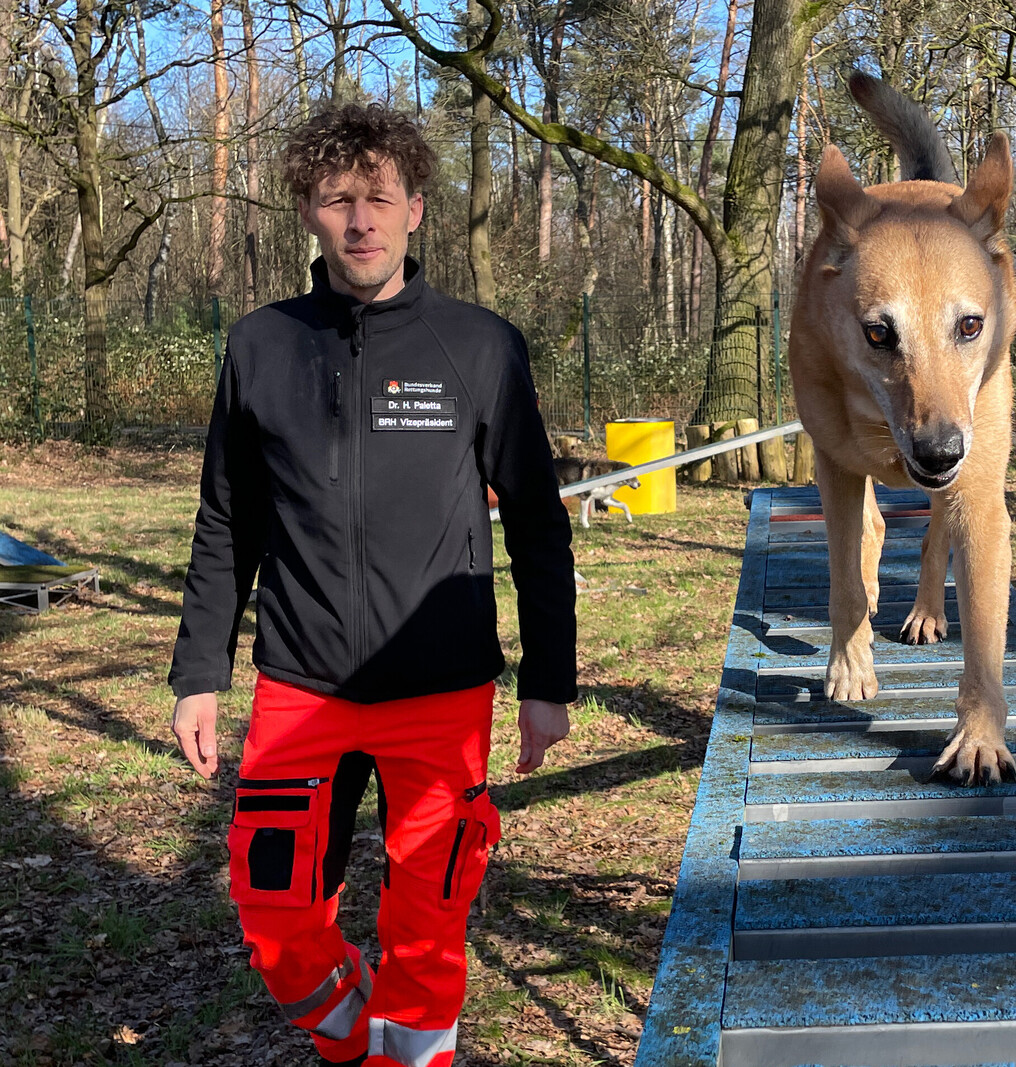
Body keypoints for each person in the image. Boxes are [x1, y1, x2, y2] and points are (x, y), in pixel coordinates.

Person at [168, 103, 577, 1067]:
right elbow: (227, 519)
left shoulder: (479, 346)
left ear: (417, 210)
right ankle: (355, 1039)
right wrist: (199, 672)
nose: (361, 220)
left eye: (380, 198)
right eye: (338, 199)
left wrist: (549, 681)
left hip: (440, 692)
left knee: (428, 924)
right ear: (309, 211)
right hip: (300, 688)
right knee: (274, 916)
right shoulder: (260, 346)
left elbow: (536, 521)